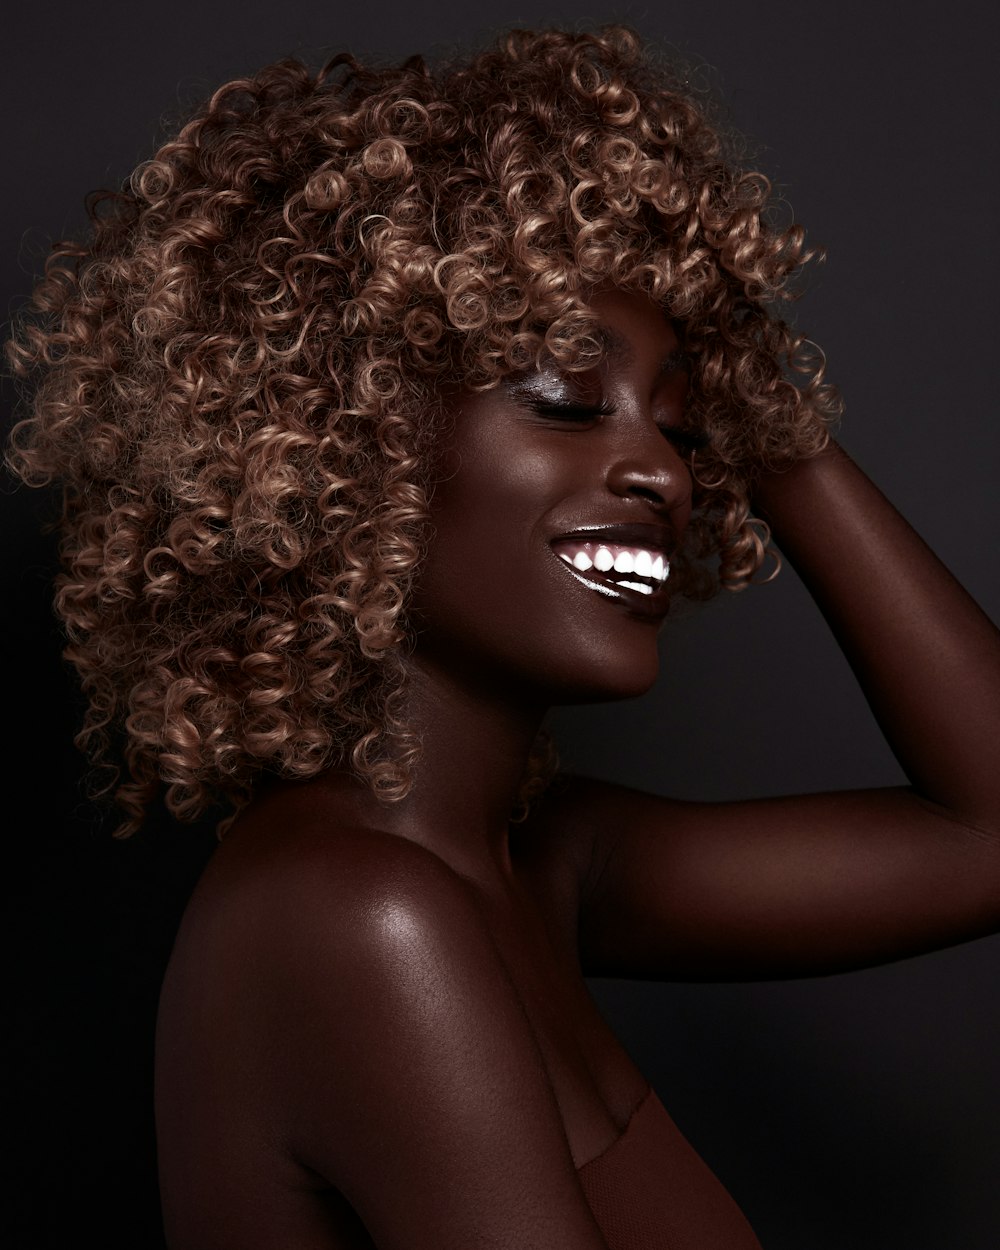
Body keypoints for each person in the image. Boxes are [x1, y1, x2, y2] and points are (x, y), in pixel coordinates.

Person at [7, 26, 999, 1250]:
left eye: (681, 434)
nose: (661, 474)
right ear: (353, 448)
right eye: (569, 403)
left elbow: (988, 832)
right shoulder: (358, 915)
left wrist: (758, 401)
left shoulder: (529, 863)